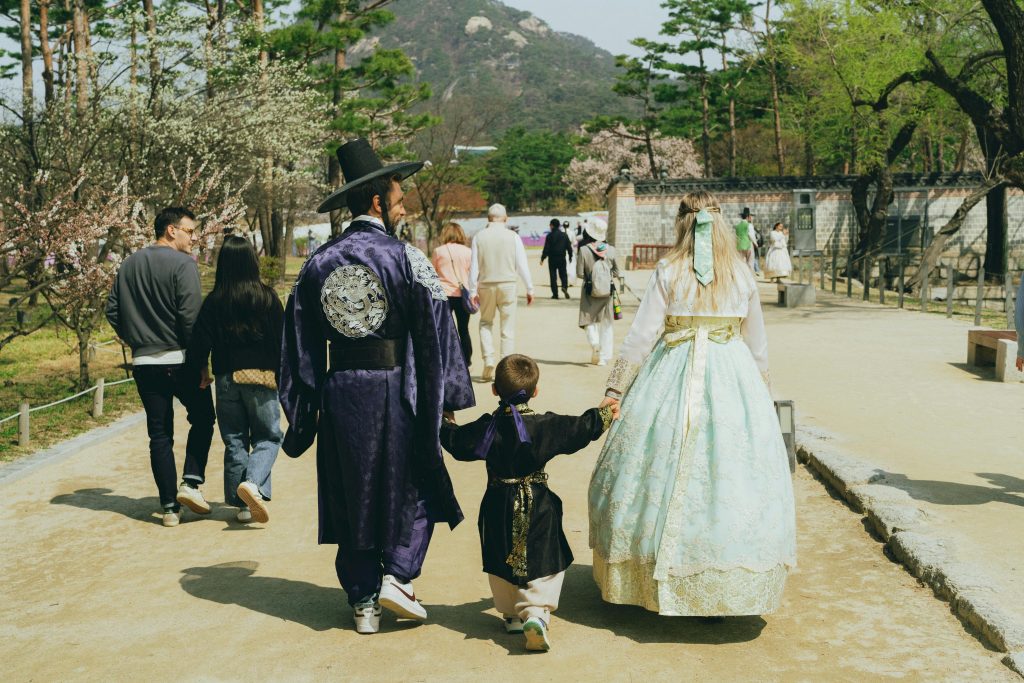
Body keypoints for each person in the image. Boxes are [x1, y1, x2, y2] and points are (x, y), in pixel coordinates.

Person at [279, 138, 475, 634]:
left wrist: (306, 409)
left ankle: (363, 599)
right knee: (412, 482)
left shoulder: (314, 265)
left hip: (340, 391)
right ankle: (400, 577)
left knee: (354, 491)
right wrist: (446, 397)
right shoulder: (405, 258)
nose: (403, 205)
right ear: (376, 202)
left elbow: (297, 346)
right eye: (399, 196)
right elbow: (437, 331)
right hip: (397, 390)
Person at [589, 190, 797, 617]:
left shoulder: (668, 270)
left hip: (671, 373)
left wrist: (615, 389)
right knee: (732, 474)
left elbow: (642, 336)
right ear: (720, 223)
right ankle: (724, 579)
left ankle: (649, 573)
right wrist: (764, 396)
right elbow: (757, 344)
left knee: (650, 468)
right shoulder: (741, 274)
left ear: (682, 224)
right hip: (732, 375)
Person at [440, 354, 617, 651]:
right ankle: (535, 611)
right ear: (535, 391)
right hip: (538, 503)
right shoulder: (545, 425)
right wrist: (606, 413)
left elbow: (457, 443)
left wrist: (445, 421)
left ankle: (511, 614)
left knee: (500, 555)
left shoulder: (488, 427)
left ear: (494, 390)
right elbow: (581, 428)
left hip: (497, 503)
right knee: (545, 558)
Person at [106, 207, 216, 528]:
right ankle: (191, 483)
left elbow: (112, 310)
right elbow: (190, 319)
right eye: (190, 231)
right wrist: (201, 364)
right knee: (204, 419)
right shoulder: (183, 264)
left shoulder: (128, 263)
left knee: (159, 434)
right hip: (180, 359)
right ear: (171, 230)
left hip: (144, 362)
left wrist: (136, 338)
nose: (194, 238)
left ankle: (169, 508)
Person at [187, 236, 284, 524]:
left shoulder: (215, 301)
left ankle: (242, 506)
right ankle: (253, 485)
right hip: (262, 378)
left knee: (235, 440)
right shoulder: (267, 297)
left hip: (227, 379)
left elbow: (198, 343)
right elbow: (282, 343)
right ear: (252, 262)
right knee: (268, 436)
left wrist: (201, 370)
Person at [469, 203, 535, 381]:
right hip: (508, 285)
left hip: (486, 285)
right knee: (507, 328)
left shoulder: (479, 237)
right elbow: (522, 265)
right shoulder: (513, 236)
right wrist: (529, 288)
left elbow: (473, 266)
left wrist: (472, 291)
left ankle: (488, 359)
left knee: (485, 323)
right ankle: (506, 367)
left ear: (488, 218)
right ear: (505, 218)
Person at [576, 218, 620, 366]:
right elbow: (616, 272)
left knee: (589, 320)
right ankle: (604, 357)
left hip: (589, 291)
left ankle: (595, 344)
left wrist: (592, 277)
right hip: (607, 292)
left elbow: (579, 273)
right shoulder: (611, 250)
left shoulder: (583, 250)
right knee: (607, 323)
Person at [431, 222, 474, 366]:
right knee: (464, 329)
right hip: (462, 295)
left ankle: (446, 359)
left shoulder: (438, 251)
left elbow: (433, 274)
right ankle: (467, 360)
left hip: (444, 295)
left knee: (444, 329)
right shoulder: (468, 252)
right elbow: (472, 274)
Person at [540, 218, 573, 300]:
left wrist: (542, 258)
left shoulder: (549, 236)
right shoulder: (564, 235)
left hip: (552, 259)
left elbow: (546, 248)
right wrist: (570, 255)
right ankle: (564, 287)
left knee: (553, 276)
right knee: (563, 274)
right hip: (561, 258)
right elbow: (569, 247)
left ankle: (555, 294)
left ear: (552, 225)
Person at [735, 207, 758, 272]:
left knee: (741, 262)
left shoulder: (737, 225)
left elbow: (736, 236)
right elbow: (751, 235)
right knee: (750, 262)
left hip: (739, 245)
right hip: (748, 245)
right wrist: (756, 244)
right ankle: (750, 276)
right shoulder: (749, 225)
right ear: (748, 217)